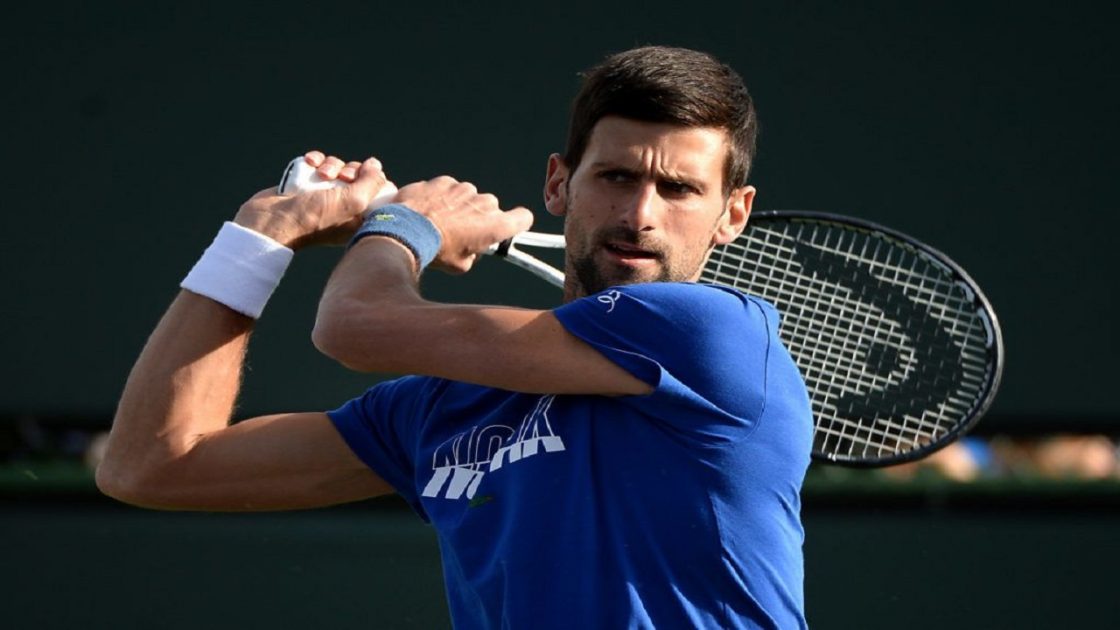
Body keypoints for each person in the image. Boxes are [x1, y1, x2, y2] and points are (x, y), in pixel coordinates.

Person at [97, 46, 813, 629]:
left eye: (679, 189)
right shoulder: (440, 410)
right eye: (616, 176)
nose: (640, 214)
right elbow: (151, 466)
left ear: (733, 213)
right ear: (558, 184)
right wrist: (258, 239)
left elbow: (350, 325)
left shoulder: (717, 334)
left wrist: (407, 224)